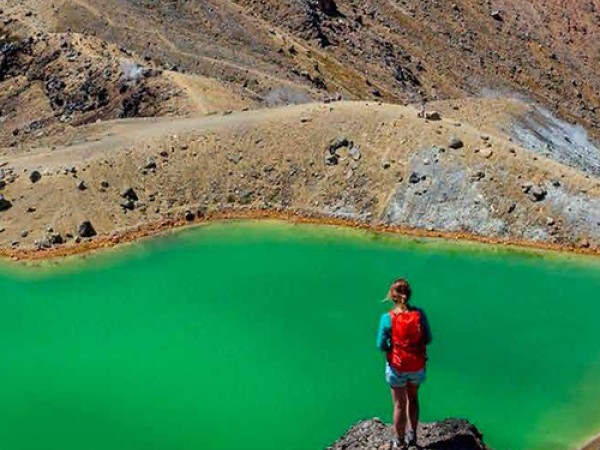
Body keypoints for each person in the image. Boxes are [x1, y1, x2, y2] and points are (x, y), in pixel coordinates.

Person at [376, 279, 432, 449]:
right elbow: (428, 338)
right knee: (413, 399)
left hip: (397, 366)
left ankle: (399, 442)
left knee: (399, 404)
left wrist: (393, 347)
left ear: (392, 296)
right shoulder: (420, 314)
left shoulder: (387, 318)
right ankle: (413, 436)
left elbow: (380, 345)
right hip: (416, 365)